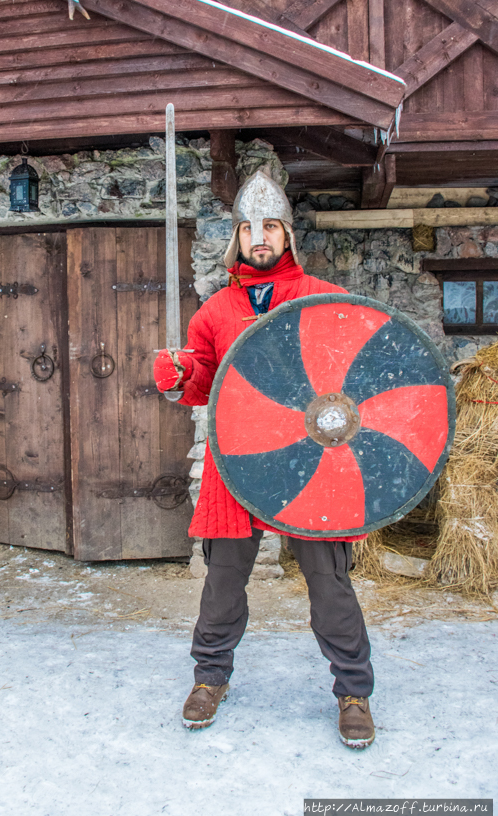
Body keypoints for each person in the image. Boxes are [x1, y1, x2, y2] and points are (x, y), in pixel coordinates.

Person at [153, 170, 375, 749]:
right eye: (250, 227)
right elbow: (202, 381)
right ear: (237, 238)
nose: (260, 236)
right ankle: (209, 678)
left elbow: (360, 372)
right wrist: (179, 377)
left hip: (313, 464)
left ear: (286, 235)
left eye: (270, 226)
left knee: (329, 582)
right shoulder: (216, 311)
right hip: (239, 462)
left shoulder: (322, 296)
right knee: (223, 582)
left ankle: (353, 691)